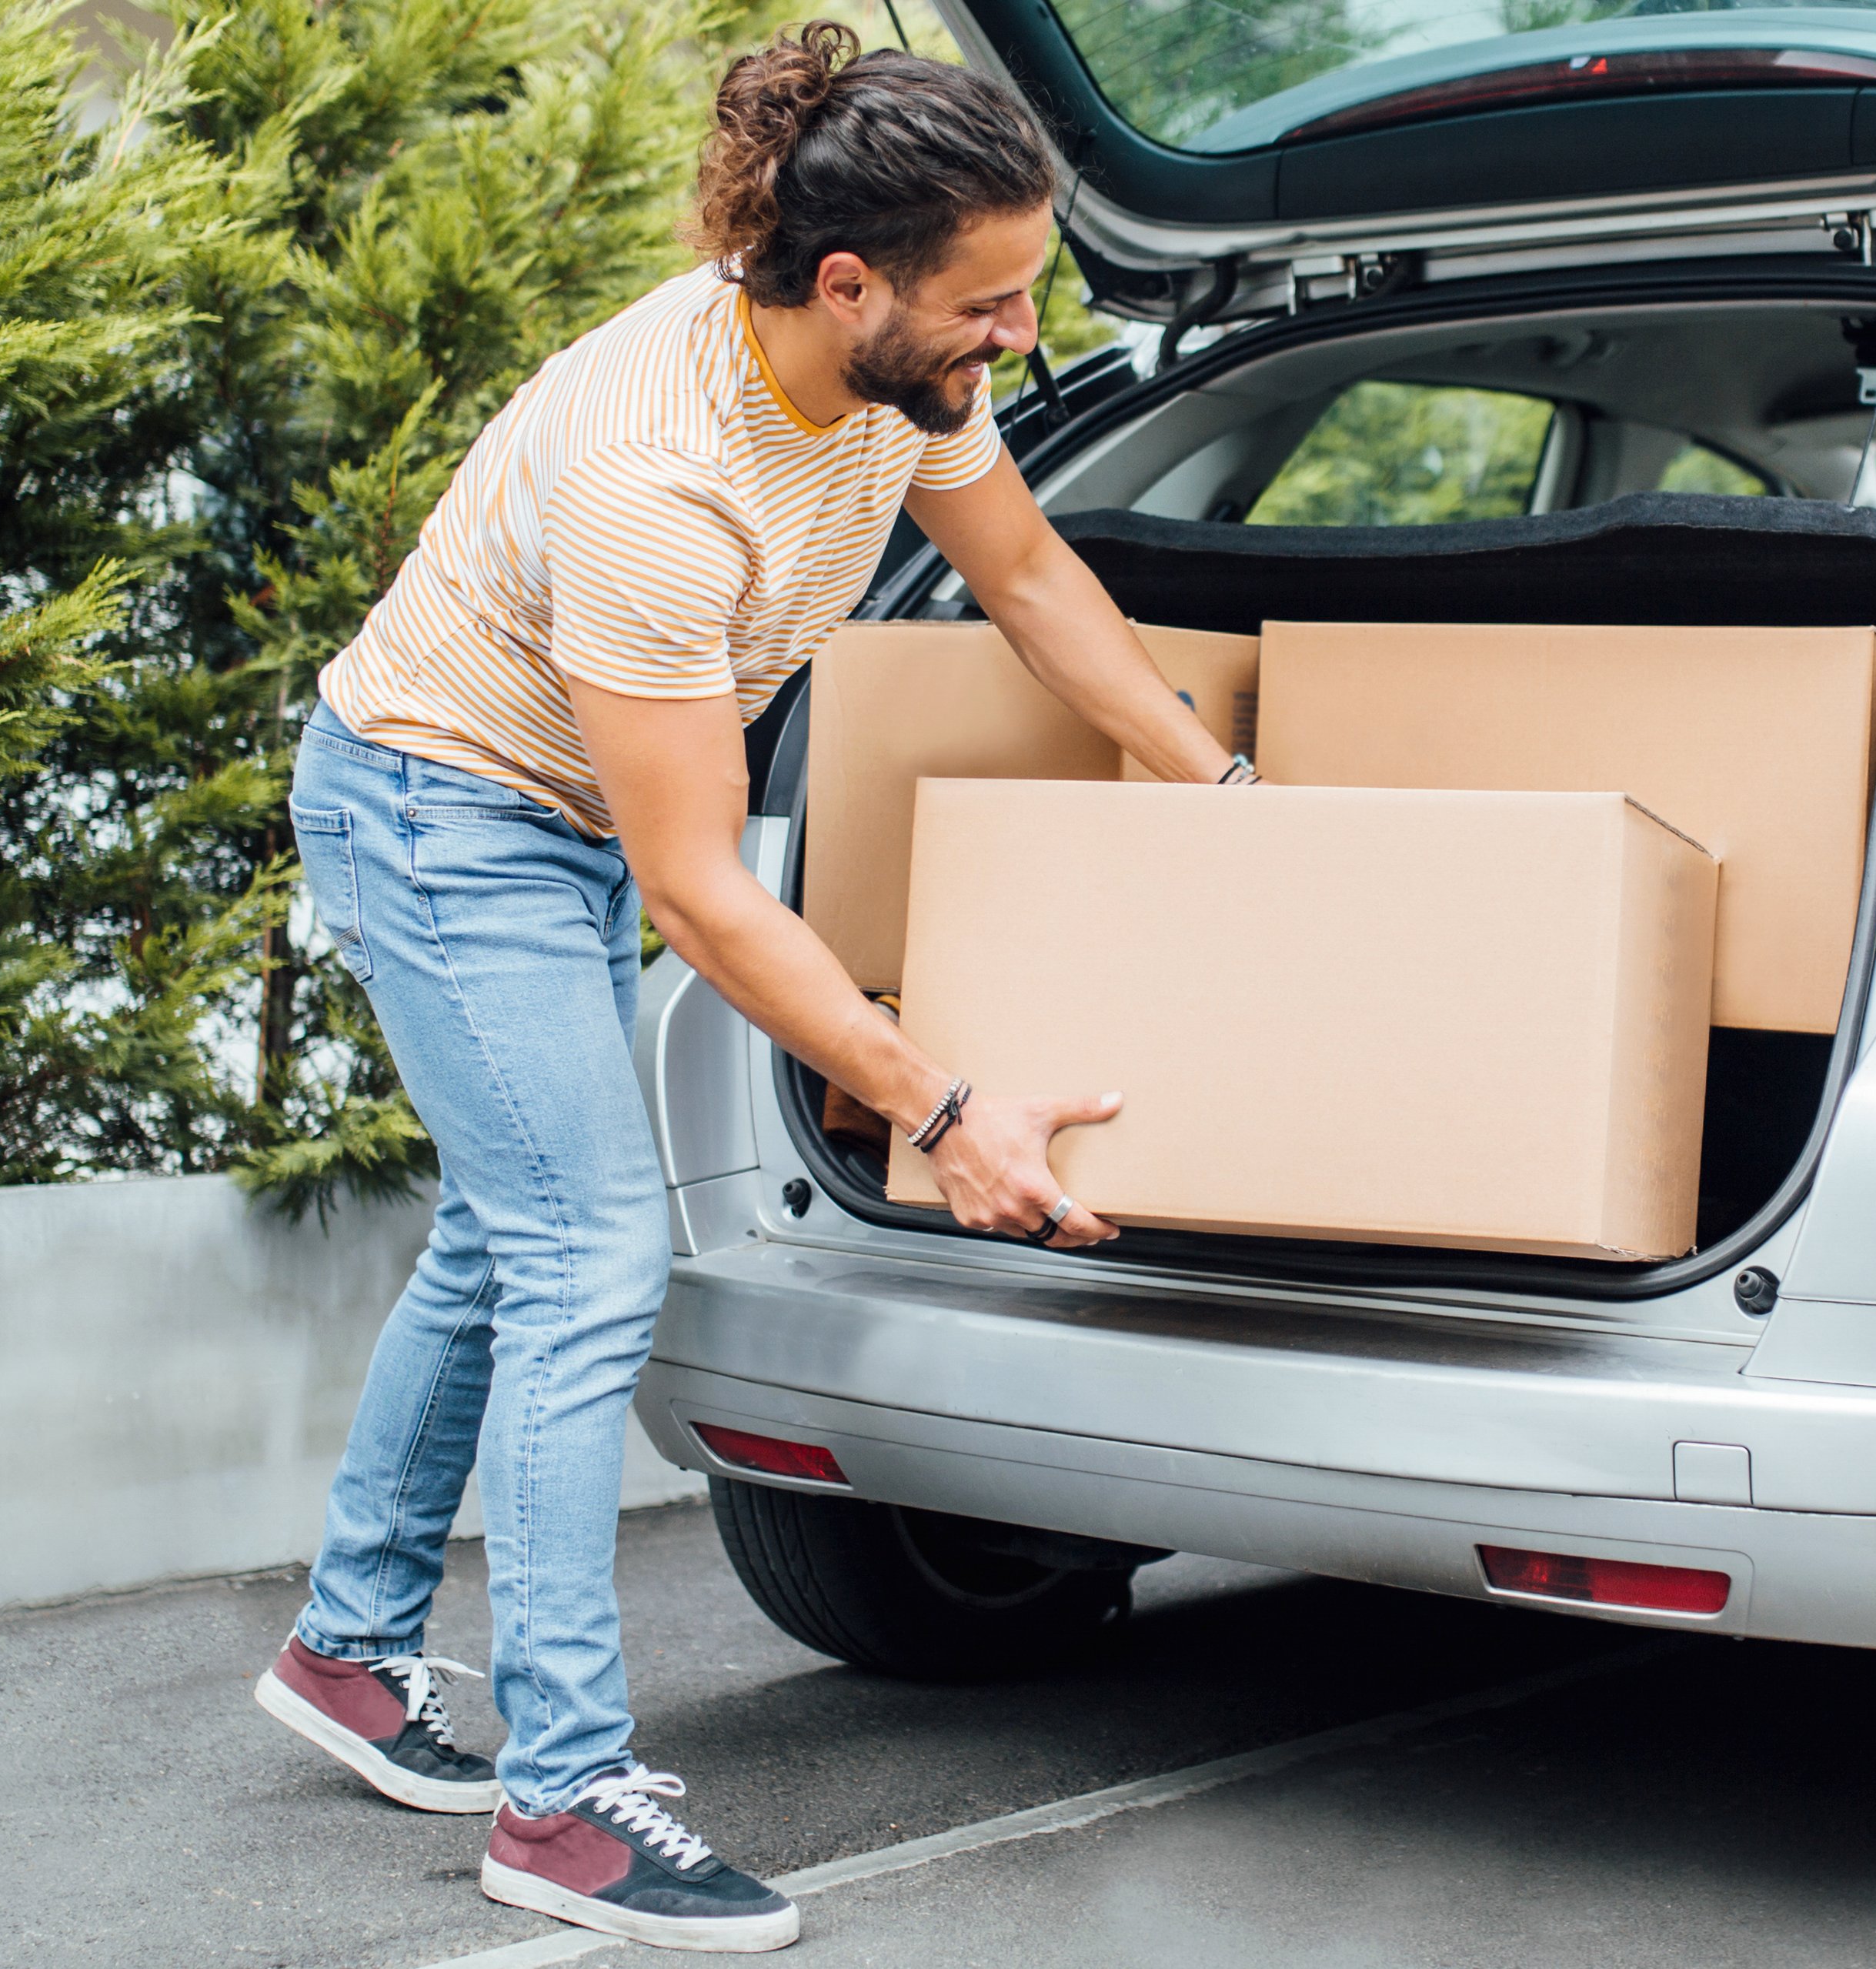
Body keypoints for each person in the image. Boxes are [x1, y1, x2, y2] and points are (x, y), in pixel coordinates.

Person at [252, 21, 1244, 1954]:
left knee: (508, 1228)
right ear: (848, 280)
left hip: (569, 821)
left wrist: (1221, 788)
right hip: (445, 812)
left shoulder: (897, 370)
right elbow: (704, 886)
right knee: (588, 1248)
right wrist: (941, 1109)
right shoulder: (658, 470)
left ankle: (351, 1646)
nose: (1019, 338)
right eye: (991, 302)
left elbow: (1030, 576)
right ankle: (561, 1807)